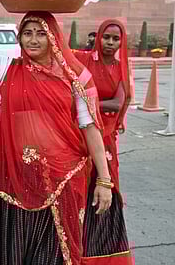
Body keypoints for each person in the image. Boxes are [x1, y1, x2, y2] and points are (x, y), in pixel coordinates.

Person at [0, 0, 113, 265]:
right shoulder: (8, 71)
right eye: (26, 33)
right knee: (10, 250)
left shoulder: (76, 78)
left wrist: (104, 179)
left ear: (54, 36)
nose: (33, 39)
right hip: (13, 176)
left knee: (52, 255)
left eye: (41, 33)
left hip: (61, 180)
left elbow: (89, 128)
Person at [74, 19, 132, 264]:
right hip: (80, 134)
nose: (110, 42)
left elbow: (118, 103)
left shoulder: (121, 68)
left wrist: (83, 103)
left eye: (115, 39)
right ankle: (73, 243)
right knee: (78, 185)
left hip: (106, 137)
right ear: (98, 37)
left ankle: (100, 252)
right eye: (106, 37)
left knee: (104, 184)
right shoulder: (84, 60)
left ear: (122, 41)